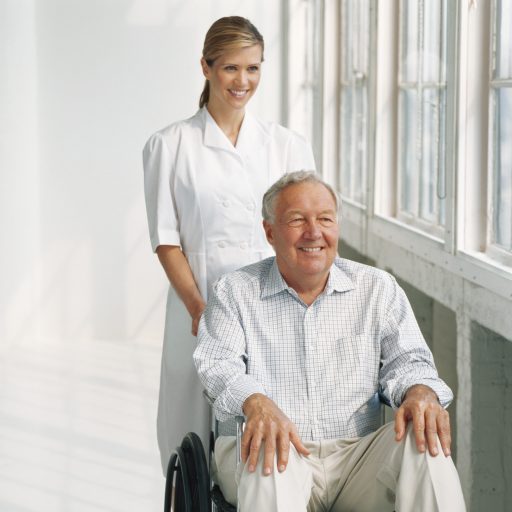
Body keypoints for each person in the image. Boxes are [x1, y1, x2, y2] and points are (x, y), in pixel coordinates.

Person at [194, 171, 466, 511]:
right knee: (269, 445)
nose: (314, 232)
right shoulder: (235, 291)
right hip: (275, 455)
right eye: (297, 220)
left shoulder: (377, 289)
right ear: (269, 232)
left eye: (325, 219)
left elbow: (409, 361)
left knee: (424, 437)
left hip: (356, 458)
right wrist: (255, 400)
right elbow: (217, 364)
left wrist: (420, 392)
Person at [142, 17, 315, 473]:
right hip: (196, 306)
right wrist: (200, 309)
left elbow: (305, 232)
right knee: (190, 442)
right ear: (206, 66)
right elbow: (166, 240)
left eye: (253, 69)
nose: (243, 81)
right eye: (231, 68)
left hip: (270, 307)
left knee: (268, 437)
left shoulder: (286, 145)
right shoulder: (170, 145)